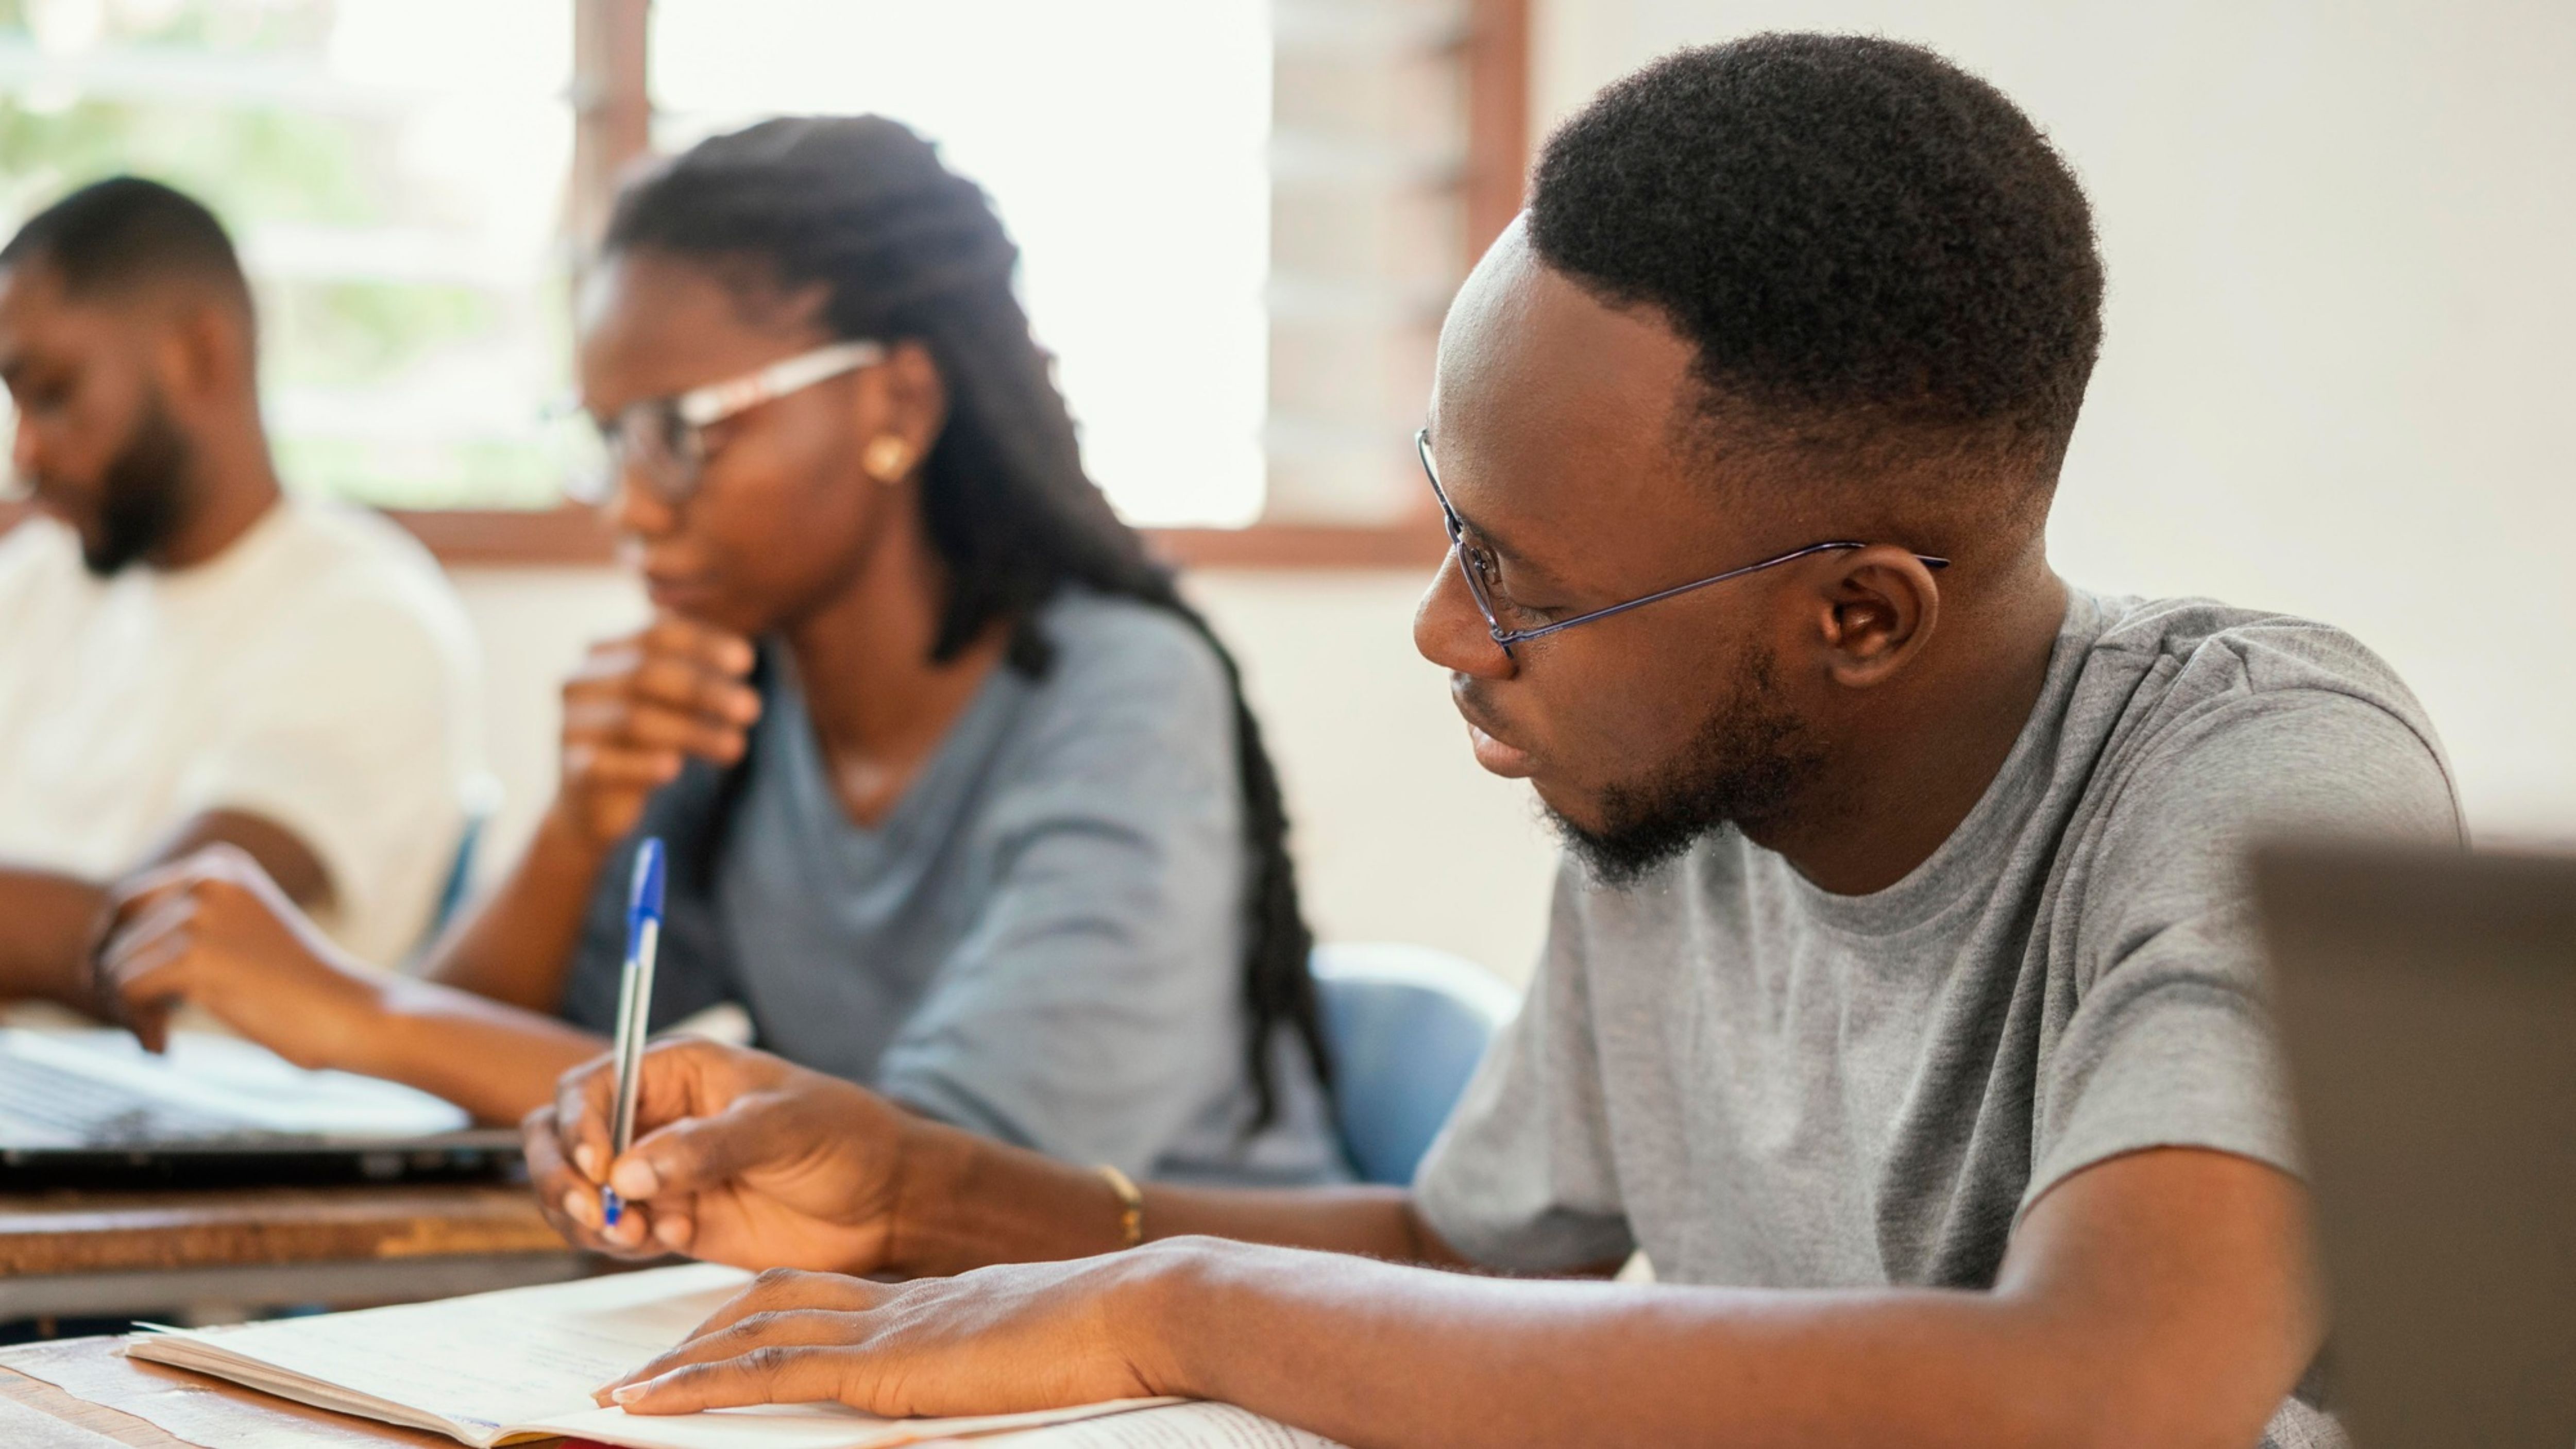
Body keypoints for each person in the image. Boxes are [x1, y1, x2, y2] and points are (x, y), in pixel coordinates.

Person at [520, 36, 2458, 1449]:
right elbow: (1466, 1245)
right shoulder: (1681, 787)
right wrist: (924, 1192)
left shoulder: (2259, 775)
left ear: (1858, 617)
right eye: (1457, 522)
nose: (1450, 630)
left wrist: (1174, 1308)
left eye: (1521, 579)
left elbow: (2101, 1392)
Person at [98, 117, 1343, 1187]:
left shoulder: (1120, 694)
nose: (632, 506)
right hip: (906, 1337)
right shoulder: (743, 708)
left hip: (1192, 1355)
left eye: (679, 432)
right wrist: (573, 830)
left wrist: (354, 1008)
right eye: (606, 441)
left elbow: (955, 1172)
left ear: (896, 405)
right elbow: (483, 1072)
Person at [0, 176, 478, 1005]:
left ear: (200, 356)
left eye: (52, 393)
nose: (27, 452)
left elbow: (154, 941)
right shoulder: (42, 578)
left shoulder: (367, 617)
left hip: (175, 1122)